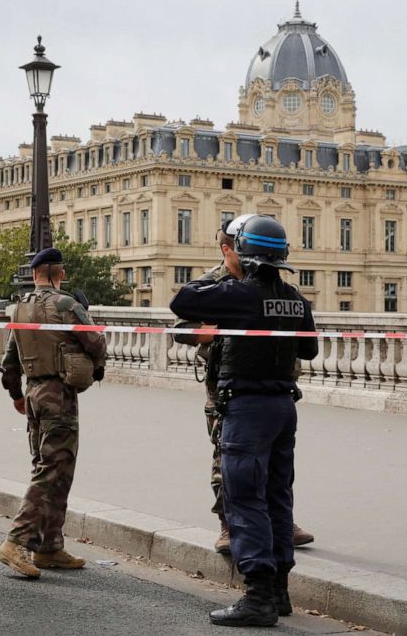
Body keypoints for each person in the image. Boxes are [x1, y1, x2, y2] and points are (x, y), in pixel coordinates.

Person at [171, 215, 318, 627]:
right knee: (277, 497)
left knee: (245, 497)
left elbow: (183, 301)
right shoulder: (295, 298)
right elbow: (308, 352)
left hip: (247, 408)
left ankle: (257, 596)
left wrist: (231, 274)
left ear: (240, 250)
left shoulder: (237, 294)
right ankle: (280, 591)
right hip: (283, 407)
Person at [0, 248, 107, 579]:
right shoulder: (66, 304)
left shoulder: (19, 307)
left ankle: (48, 546)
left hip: (33, 393)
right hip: (59, 394)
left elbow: (9, 360)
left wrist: (17, 394)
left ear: (34, 274)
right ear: (60, 274)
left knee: (54, 469)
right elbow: (96, 344)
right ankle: (16, 541)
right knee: (52, 470)